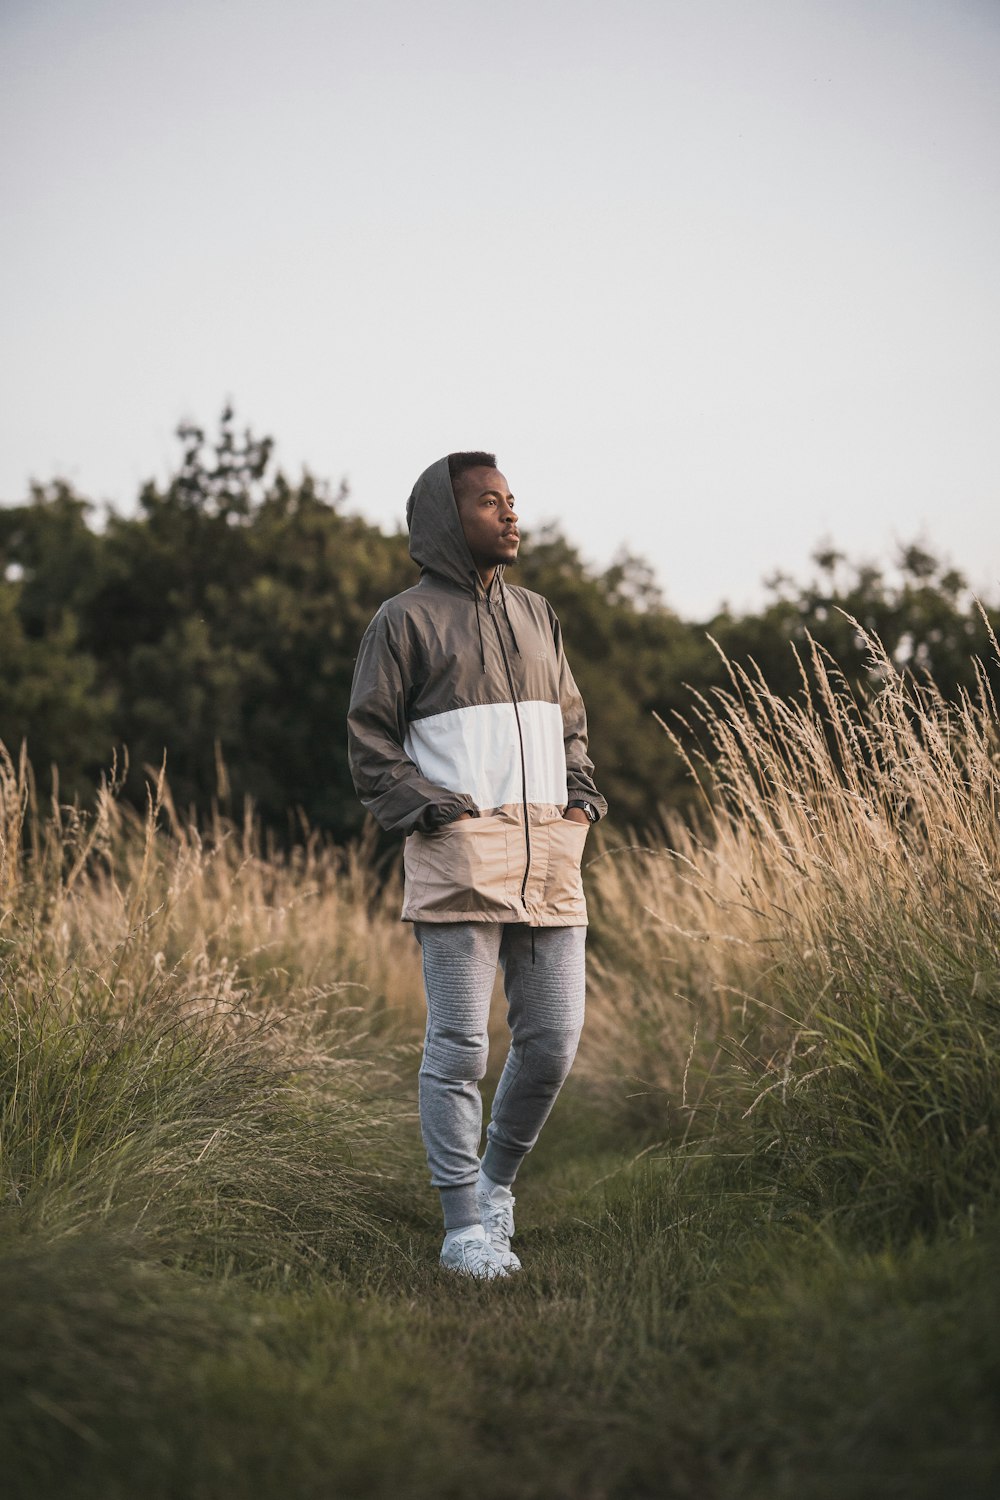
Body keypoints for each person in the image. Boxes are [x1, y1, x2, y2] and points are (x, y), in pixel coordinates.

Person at [347, 452, 606, 1278]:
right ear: (446, 521)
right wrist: (435, 809)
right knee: (459, 1048)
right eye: (489, 502)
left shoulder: (538, 613)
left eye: (512, 500)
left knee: (555, 1040)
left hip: (550, 860)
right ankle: (462, 1228)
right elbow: (370, 743)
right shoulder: (403, 621)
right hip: (460, 859)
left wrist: (581, 804)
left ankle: (495, 1183)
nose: (509, 514)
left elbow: (571, 726)